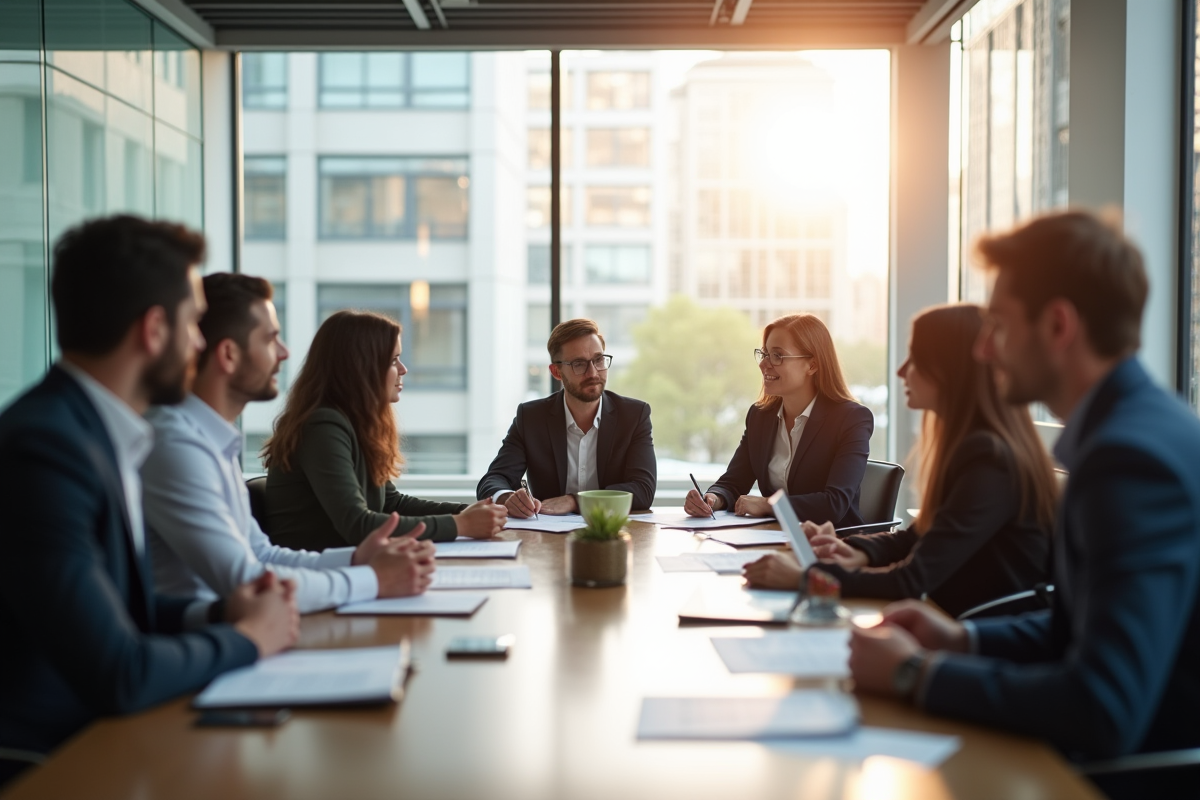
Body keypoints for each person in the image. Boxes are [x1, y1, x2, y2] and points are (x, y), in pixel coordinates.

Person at [848, 210, 1200, 784]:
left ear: (1058, 325)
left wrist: (917, 675)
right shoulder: (1135, 431)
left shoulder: (1129, 462)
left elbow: (1102, 708)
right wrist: (962, 638)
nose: (984, 350)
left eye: (999, 326)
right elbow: (1078, 630)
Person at [0, 217, 297, 788]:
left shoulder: (98, 431)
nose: (200, 343)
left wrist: (219, 612)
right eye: (192, 322)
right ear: (154, 330)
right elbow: (119, 670)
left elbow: (117, 611)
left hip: (103, 735)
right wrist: (247, 639)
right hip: (50, 760)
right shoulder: (47, 450)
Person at [143, 274, 437, 618]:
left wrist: (357, 559)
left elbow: (262, 554)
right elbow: (246, 581)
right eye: (270, 339)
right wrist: (370, 579)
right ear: (228, 354)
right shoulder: (177, 445)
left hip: (237, 630)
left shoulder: (212, 441)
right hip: (206, 642)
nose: (284, 353)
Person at [743, 304, 1056, 619]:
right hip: (944, 621)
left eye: (916, 359)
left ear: (951, 370)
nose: (902, 371)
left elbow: (911, 579)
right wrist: (854, 551)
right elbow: (916, 537)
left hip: (978, 638)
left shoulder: (990, 460)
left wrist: (806, 578)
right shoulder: (972, 448)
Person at [264, 310, 506, 550]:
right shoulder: (322, 426)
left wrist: (465, 512)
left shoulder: (354, 424)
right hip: (316, 575)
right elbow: (358, 525)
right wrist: (459, 525)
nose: (403, 369)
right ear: (360, 367)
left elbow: (390, 503)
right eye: (392, 360)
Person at [684, 313, 872, 526]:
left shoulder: (851, 419)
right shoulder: (760, 416)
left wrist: (769, 504)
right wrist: (713, 499)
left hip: (832, 546)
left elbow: (834, 504)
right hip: (774, 539)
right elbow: (734, 482)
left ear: (812, 365)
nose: (764, 364)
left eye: (777, 356)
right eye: (764, 354)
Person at [476, 318, 656, 516]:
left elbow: (643, 489)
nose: (593, 372)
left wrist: (574, 501)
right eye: (579, 364)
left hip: (613, 534)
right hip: (547, 538)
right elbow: (494, 479)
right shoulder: (531, 418)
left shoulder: (633, 415)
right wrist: (507, 498)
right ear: (556, 371)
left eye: (598, 360)